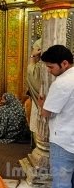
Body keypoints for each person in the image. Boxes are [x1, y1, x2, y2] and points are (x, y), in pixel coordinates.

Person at [38, 45, 74, 188]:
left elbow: (46, 113)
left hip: (63, 142)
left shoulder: (62, 83)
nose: (49, 70)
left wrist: (42, 104)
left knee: (61, 183)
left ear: (64, 63)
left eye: (51, 67)